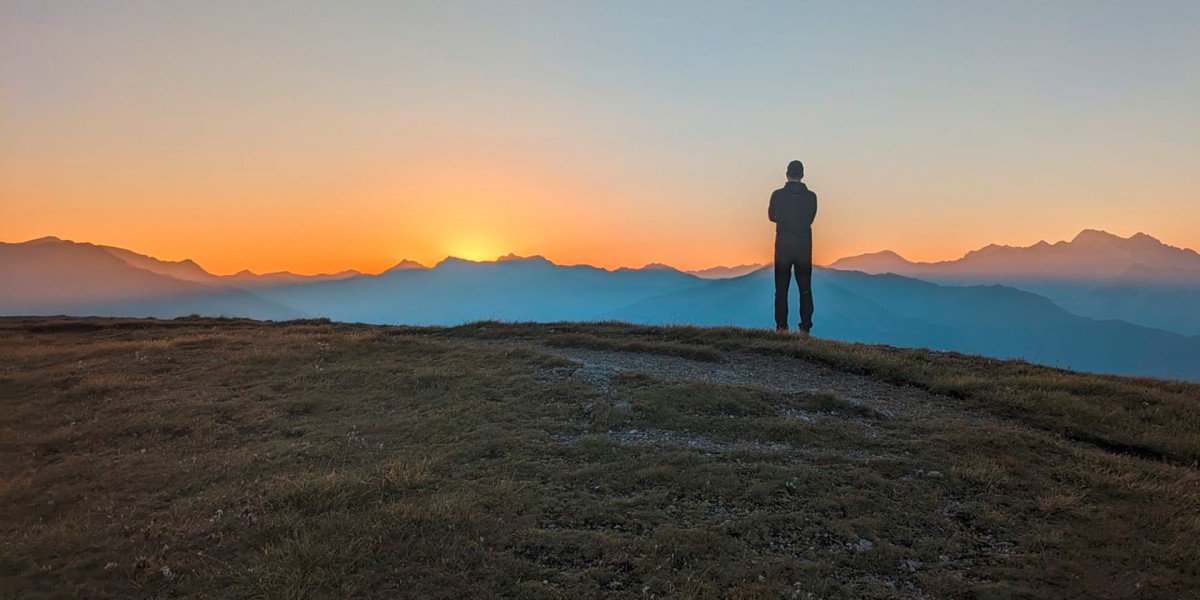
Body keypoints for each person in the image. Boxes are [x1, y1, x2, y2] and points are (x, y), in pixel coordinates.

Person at [768, 160, 818, 334]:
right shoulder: (811, 197)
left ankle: (781, 327)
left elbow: (771, 216)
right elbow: (810, 218)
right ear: (802, 175)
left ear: (787, 173)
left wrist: (784, 220)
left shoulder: (777, 195)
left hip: (783, 247)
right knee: (805, 289)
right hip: (804, 247)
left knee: (781, 289)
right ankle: (805, 328)